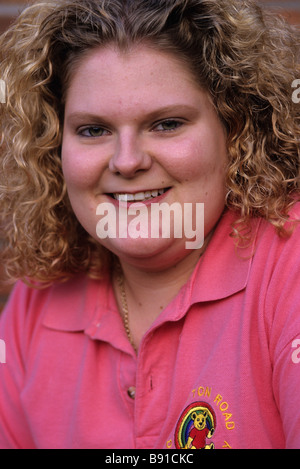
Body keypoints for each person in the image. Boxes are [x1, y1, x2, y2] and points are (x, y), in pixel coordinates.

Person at [0, 0, 299, 450]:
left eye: (166, 124)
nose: (126, 161)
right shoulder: (37, 298)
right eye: (93, 130)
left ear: (235, 129)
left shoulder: (289, 261)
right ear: (53, 146)